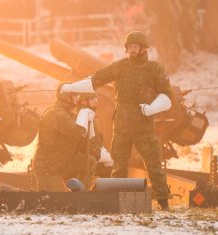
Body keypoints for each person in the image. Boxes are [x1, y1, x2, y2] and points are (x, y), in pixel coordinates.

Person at [60, 31, 172, 210]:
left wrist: (152, 108)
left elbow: (167, 95)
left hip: (144, 127)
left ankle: (163, 202)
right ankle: (117, 202)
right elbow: (96, 80)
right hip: (121, 126)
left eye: (136, 47)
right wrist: (71, 87)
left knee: (154, 165)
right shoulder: (120, 67)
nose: (132, 50)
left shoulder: (154, 69)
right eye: (130, 47)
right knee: (118, 166)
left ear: (143, 49)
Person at [32, 84, 100, 191]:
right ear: (66, 97)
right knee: (60, 201)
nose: (77, 99)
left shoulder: (68, 114)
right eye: (75, 96)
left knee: (90, 161)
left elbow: (84, 138)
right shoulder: (56, 114)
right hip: (48, 168)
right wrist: (83, 115)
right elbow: (75, 132)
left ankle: (81, 193)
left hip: (62, 162)